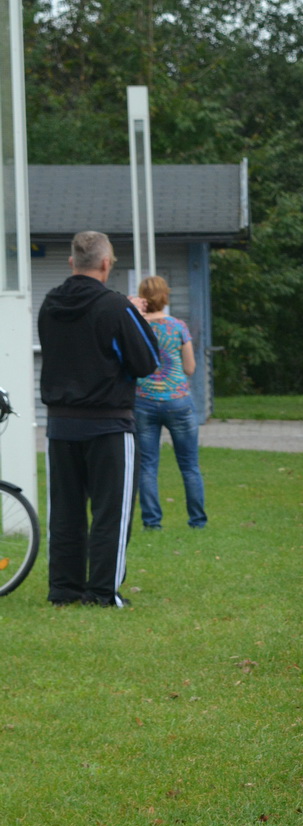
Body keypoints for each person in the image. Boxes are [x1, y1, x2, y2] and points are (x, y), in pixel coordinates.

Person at [40, 230, 160, 607]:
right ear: (106, 264)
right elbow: (146, 361)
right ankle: (103, 593)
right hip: (108, 422)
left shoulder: (49, 304)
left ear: (72, 262)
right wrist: (137, 318)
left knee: (66, 510)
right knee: (111, 512)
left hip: (60, 422)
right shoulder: (115, 307)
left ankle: (64, 590)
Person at [132, 276, 206, 532]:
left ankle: (152, 523)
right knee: (189, 466)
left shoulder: (136, 327)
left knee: (148, 466)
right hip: (178, 402)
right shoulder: (178, 327)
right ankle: (197, 522)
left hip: (143, 402)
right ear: (165, 296)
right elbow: (190, 367)